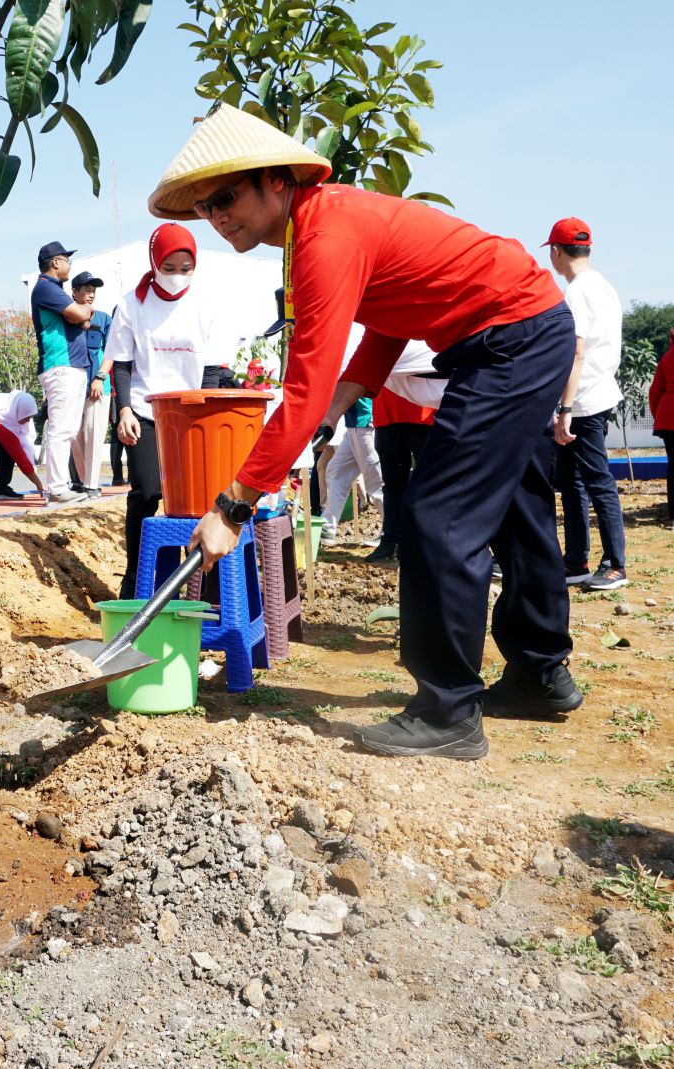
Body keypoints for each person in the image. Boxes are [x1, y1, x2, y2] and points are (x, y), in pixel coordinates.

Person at [151, 102, 583, 759]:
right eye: (205, 206)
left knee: (439, 516)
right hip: (526, 329)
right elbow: (393, 317)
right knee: (517, 510)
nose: (215, 217)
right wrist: (340, 403)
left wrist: (231, 507)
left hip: (509, 340)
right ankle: (538, 673)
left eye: (225, 196)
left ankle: (447, 713)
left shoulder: (324, 237)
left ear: (276, 181)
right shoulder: (325, 224)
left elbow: (302, 388)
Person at [98, 222, 234, 599]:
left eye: (185, 269)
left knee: (202, 500)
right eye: (169, 268)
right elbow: (122, 364)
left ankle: (207, 590)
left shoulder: (206, 304)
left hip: (193, 413)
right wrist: (123, 410)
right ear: (154, 262)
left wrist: (204, 413)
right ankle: (136, 580)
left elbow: (214, 369)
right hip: (145, 410)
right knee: (148, 490)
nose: (177, 277)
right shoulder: (131, 304)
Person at [545, 218, 629, 590]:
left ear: (555, 252)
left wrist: (564, 409)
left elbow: (575, 353)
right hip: (596, 391)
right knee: (572, 481)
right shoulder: (605, 287)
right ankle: (575, 560)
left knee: (596, 481)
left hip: (584, 400)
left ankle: (615, 563)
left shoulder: (577, 291)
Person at [31, 241, 91, 504]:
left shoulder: (56, 289)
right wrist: (82, 312)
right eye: (67, 260)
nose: (69, 265)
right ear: (56, 262)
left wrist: (81, 315)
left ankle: (61, 486)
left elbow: (81, 319)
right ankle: (56, 488)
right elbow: (78, 315)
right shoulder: (45, 287)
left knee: (67, 429)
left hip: (71, 367)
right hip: (60, 366)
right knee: (60, 429)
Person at [368, 347, 439, 565]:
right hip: (387, 413)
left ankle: (432, 545)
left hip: (424, 412)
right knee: (392, 483)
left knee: (431, 483)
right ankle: (391, 543)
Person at [320, 395, 383, 547]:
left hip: (366, 424)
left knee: (375, 482)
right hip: (353, 426)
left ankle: (393, 531)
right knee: (336, 471)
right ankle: (327, 527)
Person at [72, 270, 110, 499]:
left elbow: (113, 351)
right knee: (73, 435)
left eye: (93, 290)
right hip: (72, 385)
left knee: (94, 435)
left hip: (98, 388)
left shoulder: (104, 319)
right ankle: (84, 480)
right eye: (86, 289)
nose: (91, 294)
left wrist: (100, 377)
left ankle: (91, 484)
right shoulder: (65, 317)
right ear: (74, 292)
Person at [649, 329, 674, 528]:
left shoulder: (666, 358)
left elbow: (655, 391)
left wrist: (658, 415)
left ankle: (673, 515)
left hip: (668, 418)